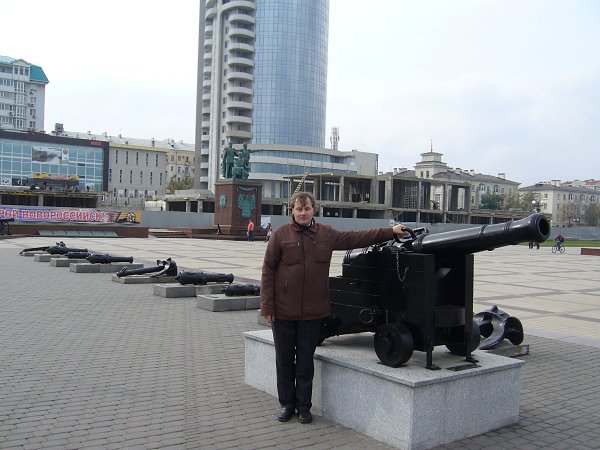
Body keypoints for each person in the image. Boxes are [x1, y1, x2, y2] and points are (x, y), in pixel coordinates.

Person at [260, 191, 408, 424]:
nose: (303, 213)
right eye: (299, 209)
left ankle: (304, 407)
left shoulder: (326, 234)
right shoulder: (280, 235)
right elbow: (268, 271)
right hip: (283, 311)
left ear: (314, 210)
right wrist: (267, 307)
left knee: (305, 362)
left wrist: (390, 231)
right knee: (284, 361)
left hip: (312, 312)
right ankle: (287, 404)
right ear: (292, 211)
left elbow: (356, 238)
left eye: (306, 209)